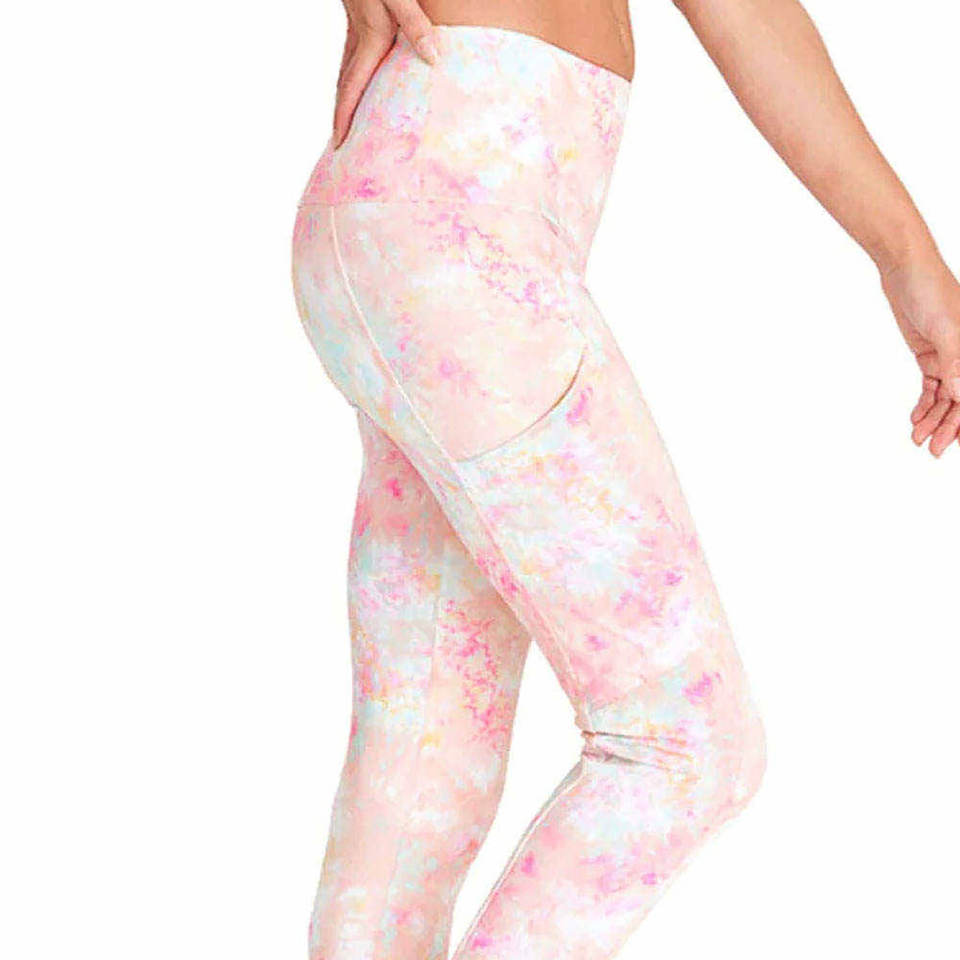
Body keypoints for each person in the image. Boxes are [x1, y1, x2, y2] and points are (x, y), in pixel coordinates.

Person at [290, 0, 960, 956]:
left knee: (430, 752)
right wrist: (908, 257)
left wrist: (908, 257)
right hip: (462, 223)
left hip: (410, 206)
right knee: (688, 745)